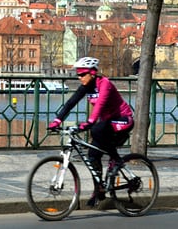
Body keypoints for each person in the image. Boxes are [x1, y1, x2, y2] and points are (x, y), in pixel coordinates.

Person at [48, 57, 134, 207]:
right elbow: (70, 103)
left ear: (92, 73)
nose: (79, 77)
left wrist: (89, 122)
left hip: (123, 119)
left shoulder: (104, 84)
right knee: (93, 155)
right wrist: (57, 120)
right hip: (108, 123)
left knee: (96, 129)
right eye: (78, 74)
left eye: (82, 74)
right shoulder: (86, 86)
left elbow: (99, 106)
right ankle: (98, 189)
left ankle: (117, 160)